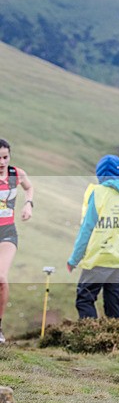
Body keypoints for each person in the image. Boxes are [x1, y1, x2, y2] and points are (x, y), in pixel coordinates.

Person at [67, 155, 119, 319]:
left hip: (99, 258)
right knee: (113, 301)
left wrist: (74, 259)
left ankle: (90, 339)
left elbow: (87, 228)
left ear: (100, 174)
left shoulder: (98, 193)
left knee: (85, 299)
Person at [0, 139, 34, 344]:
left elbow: (29, 187)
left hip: (7, 232)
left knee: (1, 278)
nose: (2, 162)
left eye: (5, 157)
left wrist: (28, 204)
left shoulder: (16, 174)